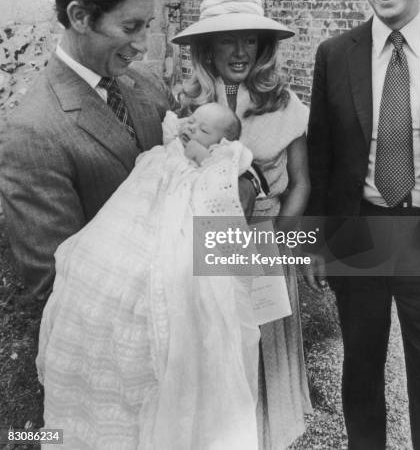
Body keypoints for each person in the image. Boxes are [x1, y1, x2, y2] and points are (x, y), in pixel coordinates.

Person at [0, 0, 256, 303]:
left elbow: (208, 146)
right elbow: (56, 284)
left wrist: (240, 184)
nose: (144, 45)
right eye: (130, 27)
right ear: (79, 17)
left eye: (147, 25)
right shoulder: (31, 133)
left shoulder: (146, 82)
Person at [37, 101, 260, 449]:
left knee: (178, 280)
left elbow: (220, 183)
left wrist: (200, 154)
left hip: (178, 217)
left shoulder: (221, 157)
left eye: (203, 129)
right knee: (96, 262)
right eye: (193, 120)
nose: (192, 129)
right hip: (138, 208)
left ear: (220, 143)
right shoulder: (172, 146)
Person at [306, 0, 420, 450]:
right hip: (359, 231)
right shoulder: (335, 54)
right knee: (360, 365)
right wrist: (314, 241)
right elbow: (320, 155)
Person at [171, 0, 313, 450]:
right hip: (207, 246)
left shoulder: (284, 103)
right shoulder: (185, 106)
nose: (239, 51)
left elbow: (302, 181)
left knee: (261, 348)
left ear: (264, 45)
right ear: (207, 47)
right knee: (215, 347)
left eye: (249, 38)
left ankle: (268, 436)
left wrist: (281, 247)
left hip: (264, 243)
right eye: (228, 38)